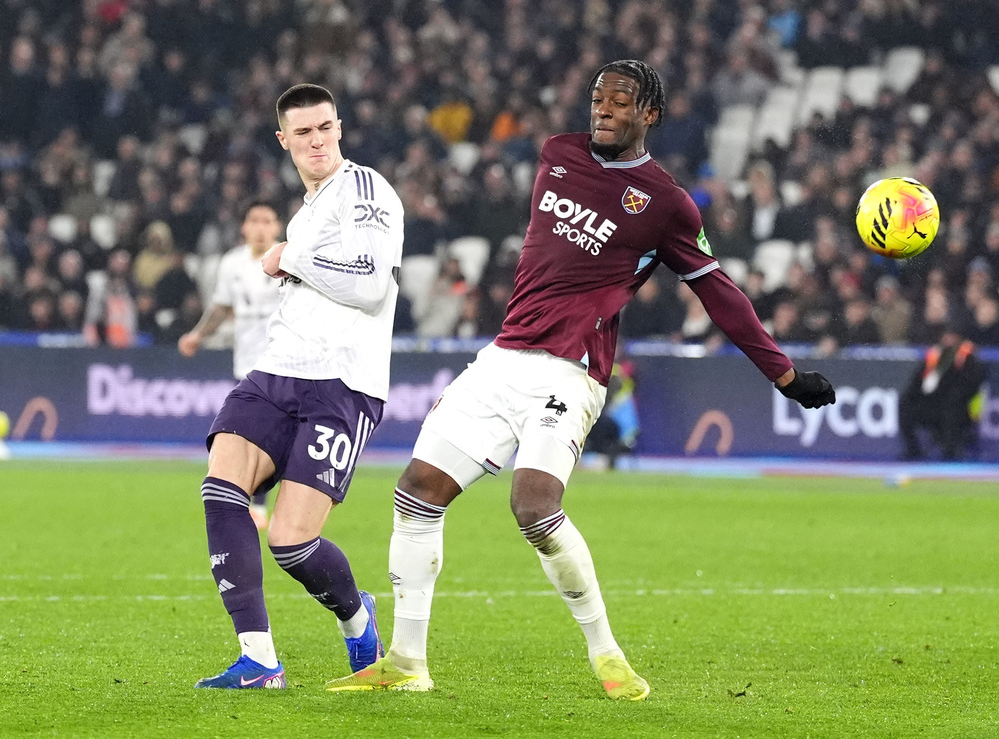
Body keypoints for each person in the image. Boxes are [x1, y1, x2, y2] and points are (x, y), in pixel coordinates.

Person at [325, 60, 835, 701]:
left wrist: (783, 374)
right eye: (597, 98)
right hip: (503, 357)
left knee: (533, 507)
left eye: (619, 101)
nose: (602, 109)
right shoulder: (557, 153)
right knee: (415, 495)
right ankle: (406, 661)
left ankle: (607, 654)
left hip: (571, 369)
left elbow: (717, 289)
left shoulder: (667, 204)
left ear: (650, 114)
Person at [194, 83, 404, 690]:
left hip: (342, 383)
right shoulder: (306, 211)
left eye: (325, 129)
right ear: (283, 140)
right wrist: (294, 254)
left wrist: (290, 258)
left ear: (340, 128)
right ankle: (259, 659)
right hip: (276, 369)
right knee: (221, 490)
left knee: (290, 541)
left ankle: (357, 615)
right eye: (303, 133)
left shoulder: (364, 190)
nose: (316, 142)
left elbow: (368, 285)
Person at [178, 200, 284, 530]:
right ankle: (252, 500)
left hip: (285, 360)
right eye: (254, 220)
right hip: (247, 364)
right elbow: (221, 307)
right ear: (244, 228)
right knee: (251, 433)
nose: (261, 227)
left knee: (270, 433)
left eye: (267, 220)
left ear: (277, 227)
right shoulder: (233, 263)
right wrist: (197, 335)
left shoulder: (290, 257)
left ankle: (263, 503)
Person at [899, 324, 986, 461]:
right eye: (946, 336)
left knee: (951, 409)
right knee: (905, 405)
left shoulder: (967, 356)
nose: (949, 339)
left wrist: (952, 397)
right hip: (932, 404)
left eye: (952, 336)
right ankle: (913, 449)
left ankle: (951, 451)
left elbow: (972, 382)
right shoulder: (934, 355)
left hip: (959, 407)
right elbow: (917, 382)